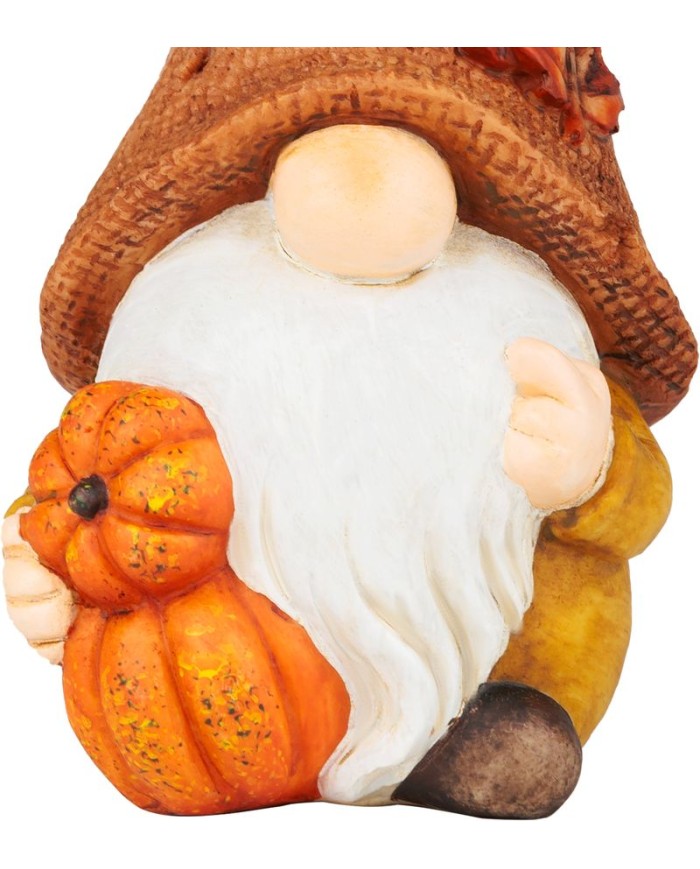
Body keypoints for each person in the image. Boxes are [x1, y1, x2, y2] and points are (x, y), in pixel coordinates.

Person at [2, 48, 693, 819]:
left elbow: (641, 506)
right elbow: (97, 479)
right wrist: (50, 560)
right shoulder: (172, 344)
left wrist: (596, 469)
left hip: (509, 683)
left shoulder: (539, 344)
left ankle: (476, 729)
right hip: (223, 688)